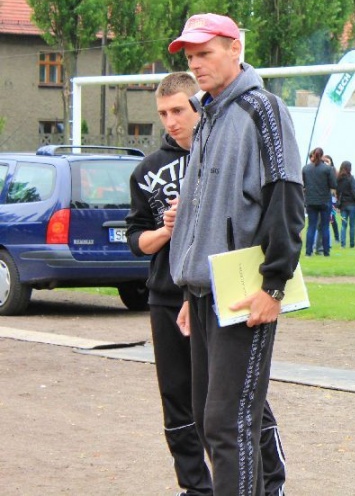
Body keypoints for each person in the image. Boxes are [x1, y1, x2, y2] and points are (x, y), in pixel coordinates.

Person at [167, 13, 304, 496]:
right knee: (211, 422)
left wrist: (274, 285)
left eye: (205, 53)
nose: (196, 64)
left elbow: (285, 197)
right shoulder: (208, 117)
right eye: (190, 57)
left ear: (235, 48)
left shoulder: (263, 110)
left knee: (230, 424)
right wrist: (188, 287)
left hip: (245, 290)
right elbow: (202, 214)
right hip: (206, 292)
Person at [125, 72, 213, 495]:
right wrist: (165, 230)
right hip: (165, 295)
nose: (171, 121)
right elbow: (135, 241)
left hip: (215, 294)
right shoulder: (147, 170)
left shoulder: (221, 154)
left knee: (222, 396)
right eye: (163, 113)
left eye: (178, 110)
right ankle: (195, 487)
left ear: (198, 107)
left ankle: (253, 482)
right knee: (176, 397)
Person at [303, 147, 337, 257]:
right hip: (324, 200)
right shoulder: (327, 169)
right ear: (322, 156)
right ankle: (326, 251)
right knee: (325, 227)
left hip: (311, 201)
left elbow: (304, 184)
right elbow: (333, 185)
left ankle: (308, 251)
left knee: (311, 226)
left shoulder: (306, 169)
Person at [336, 160, 355, 248]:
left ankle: (342, 244)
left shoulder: (339, 179)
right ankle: (352, 244)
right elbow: (354, 192)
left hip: (343, 205)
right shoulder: (351, 178)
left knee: (343, 225)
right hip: (352, 205)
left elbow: (338, 192)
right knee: (352, 225)